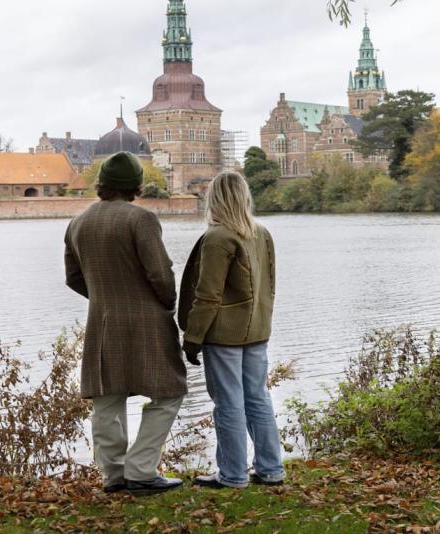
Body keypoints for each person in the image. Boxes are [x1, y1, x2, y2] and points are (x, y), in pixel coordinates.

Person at [64, 151, 186, 496]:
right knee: (170, 391)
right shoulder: (141, 220)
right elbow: (160, 274)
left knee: (107, 399)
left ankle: (114, 475)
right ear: (135, 186)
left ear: (102, 184)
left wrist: (105, 297)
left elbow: (73, 278)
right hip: (145, 320)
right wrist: (166, 303)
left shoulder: (78, 222)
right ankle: (142, 470)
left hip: (101, 322)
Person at [178, 171, 284, 489]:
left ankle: (233, 474)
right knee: (257, 398)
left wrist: (193, 338)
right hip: (257, 329)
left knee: (229, 403)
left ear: (216, 199)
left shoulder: (218, 237)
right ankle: (271, 469)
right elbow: (270, 284)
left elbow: (207, 294)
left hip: (224, 333)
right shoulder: (261, 232)